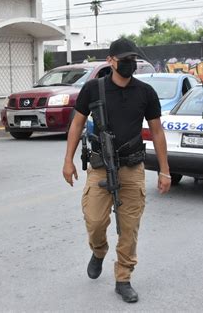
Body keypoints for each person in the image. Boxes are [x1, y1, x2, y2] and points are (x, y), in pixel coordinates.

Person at [62, 38, 171, 303]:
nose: (129, 63)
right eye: (124, 59)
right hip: (100, 167)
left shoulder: (145, 92)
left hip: (132, 168)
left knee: (129, 228)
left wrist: (165, 171)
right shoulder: (92, 90)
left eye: (132, 58)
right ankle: (98, 251)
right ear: (111, 61)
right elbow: (76, 125)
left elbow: (157, 132)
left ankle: (123, 278)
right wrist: (68, 161)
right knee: (95, 220)